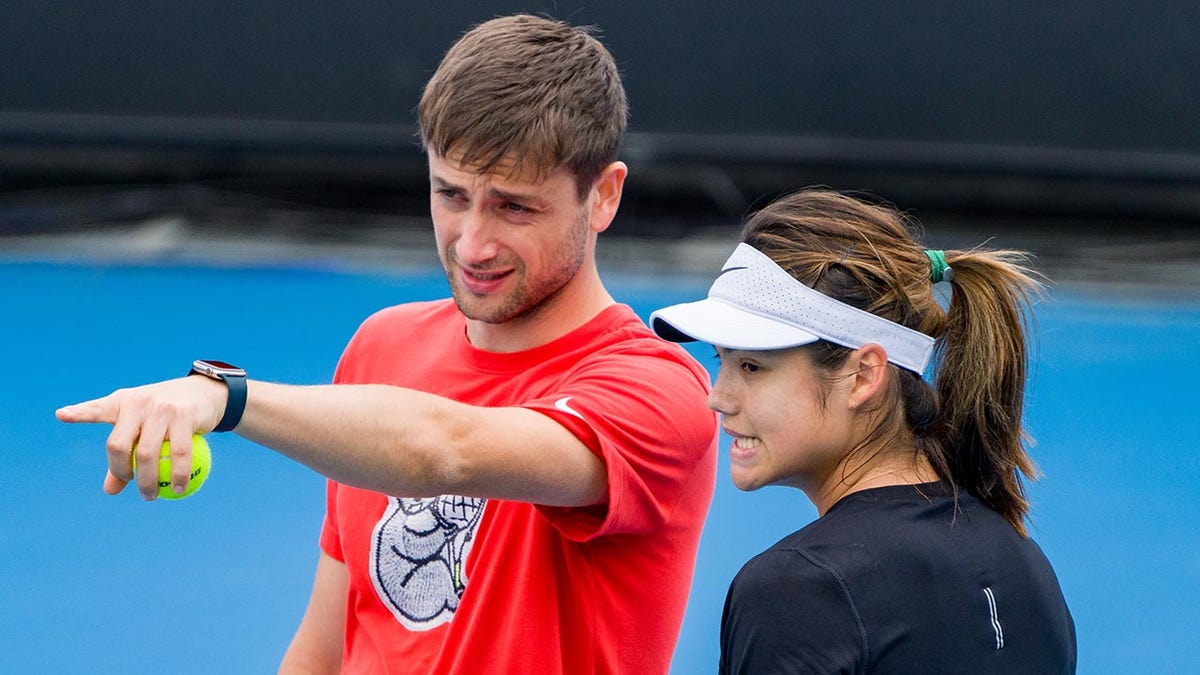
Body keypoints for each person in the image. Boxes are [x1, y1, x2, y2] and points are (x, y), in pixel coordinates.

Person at [55, 14, 718, 674]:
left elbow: (442, 450)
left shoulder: (658, 391)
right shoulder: (382, 345)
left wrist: (225, 396)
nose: (472, 242)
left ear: (602, 196)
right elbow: (329, 643)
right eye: (451, 194)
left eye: (514, 207)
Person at [650, 187, 1076, 673]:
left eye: (751, 367)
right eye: (720, 360)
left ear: (863, 375)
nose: (717, 397)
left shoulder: (795, 589)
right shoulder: (1025, 563)